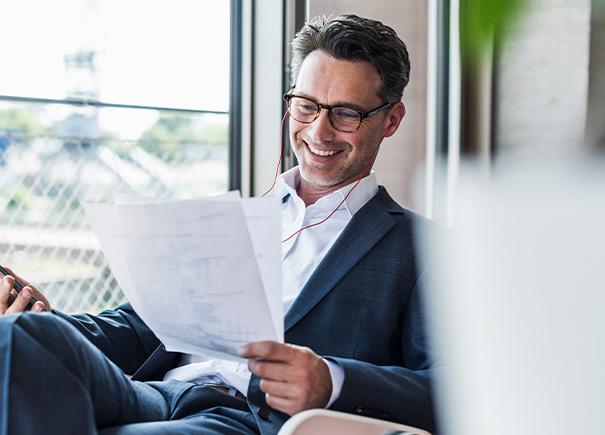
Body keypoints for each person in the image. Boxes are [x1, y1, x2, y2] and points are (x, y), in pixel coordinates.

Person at [0, 14, 436, 435]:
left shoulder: (422, 249)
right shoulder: (235, 220)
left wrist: (333, 379)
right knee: (18, 335)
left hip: (247, 417)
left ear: (391, 120)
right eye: (306, 106)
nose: (318, 132)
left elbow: (456, 390)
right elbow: (139, 328)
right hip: (154, 394)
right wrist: (45, 320)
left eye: (345, 114)